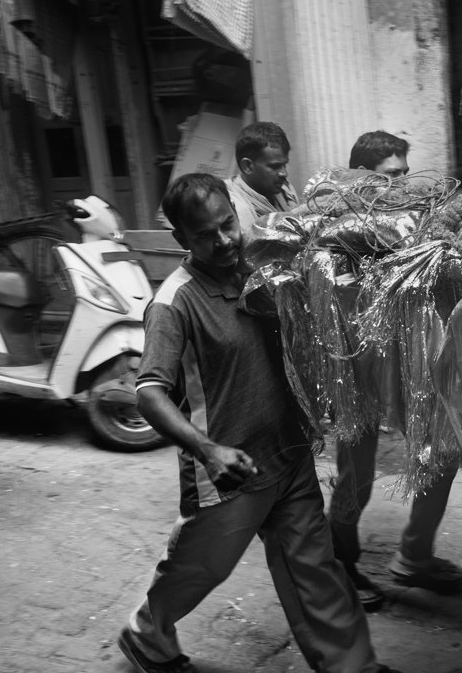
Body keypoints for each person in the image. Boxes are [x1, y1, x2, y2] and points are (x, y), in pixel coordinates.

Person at [121, 173, 401, 673]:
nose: (224, 240)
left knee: (315, 567)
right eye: (205, 234)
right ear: (181, 239)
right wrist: (208, 451)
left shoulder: (263, 266)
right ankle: (148, 633)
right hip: (229, 471)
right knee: (201, 567)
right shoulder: (174, 303)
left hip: (288, 453)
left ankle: (352, 666)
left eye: (227, 224)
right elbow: (148, 393)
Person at [328, 130, 462, 609]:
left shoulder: (419, 216)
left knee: (441, 450)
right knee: (355, 469)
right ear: (362, 176)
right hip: (357, 360)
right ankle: (339, 562)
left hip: (411, 353)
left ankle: (414, 554)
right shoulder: (340, 220)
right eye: (391, 175)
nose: (402, 183)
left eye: (405, 173)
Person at [225, 121, 297, 231]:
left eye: (284, 165)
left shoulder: (286, 191)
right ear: (247, 166)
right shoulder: (233, 209)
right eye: (275, 166)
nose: (284, 173)